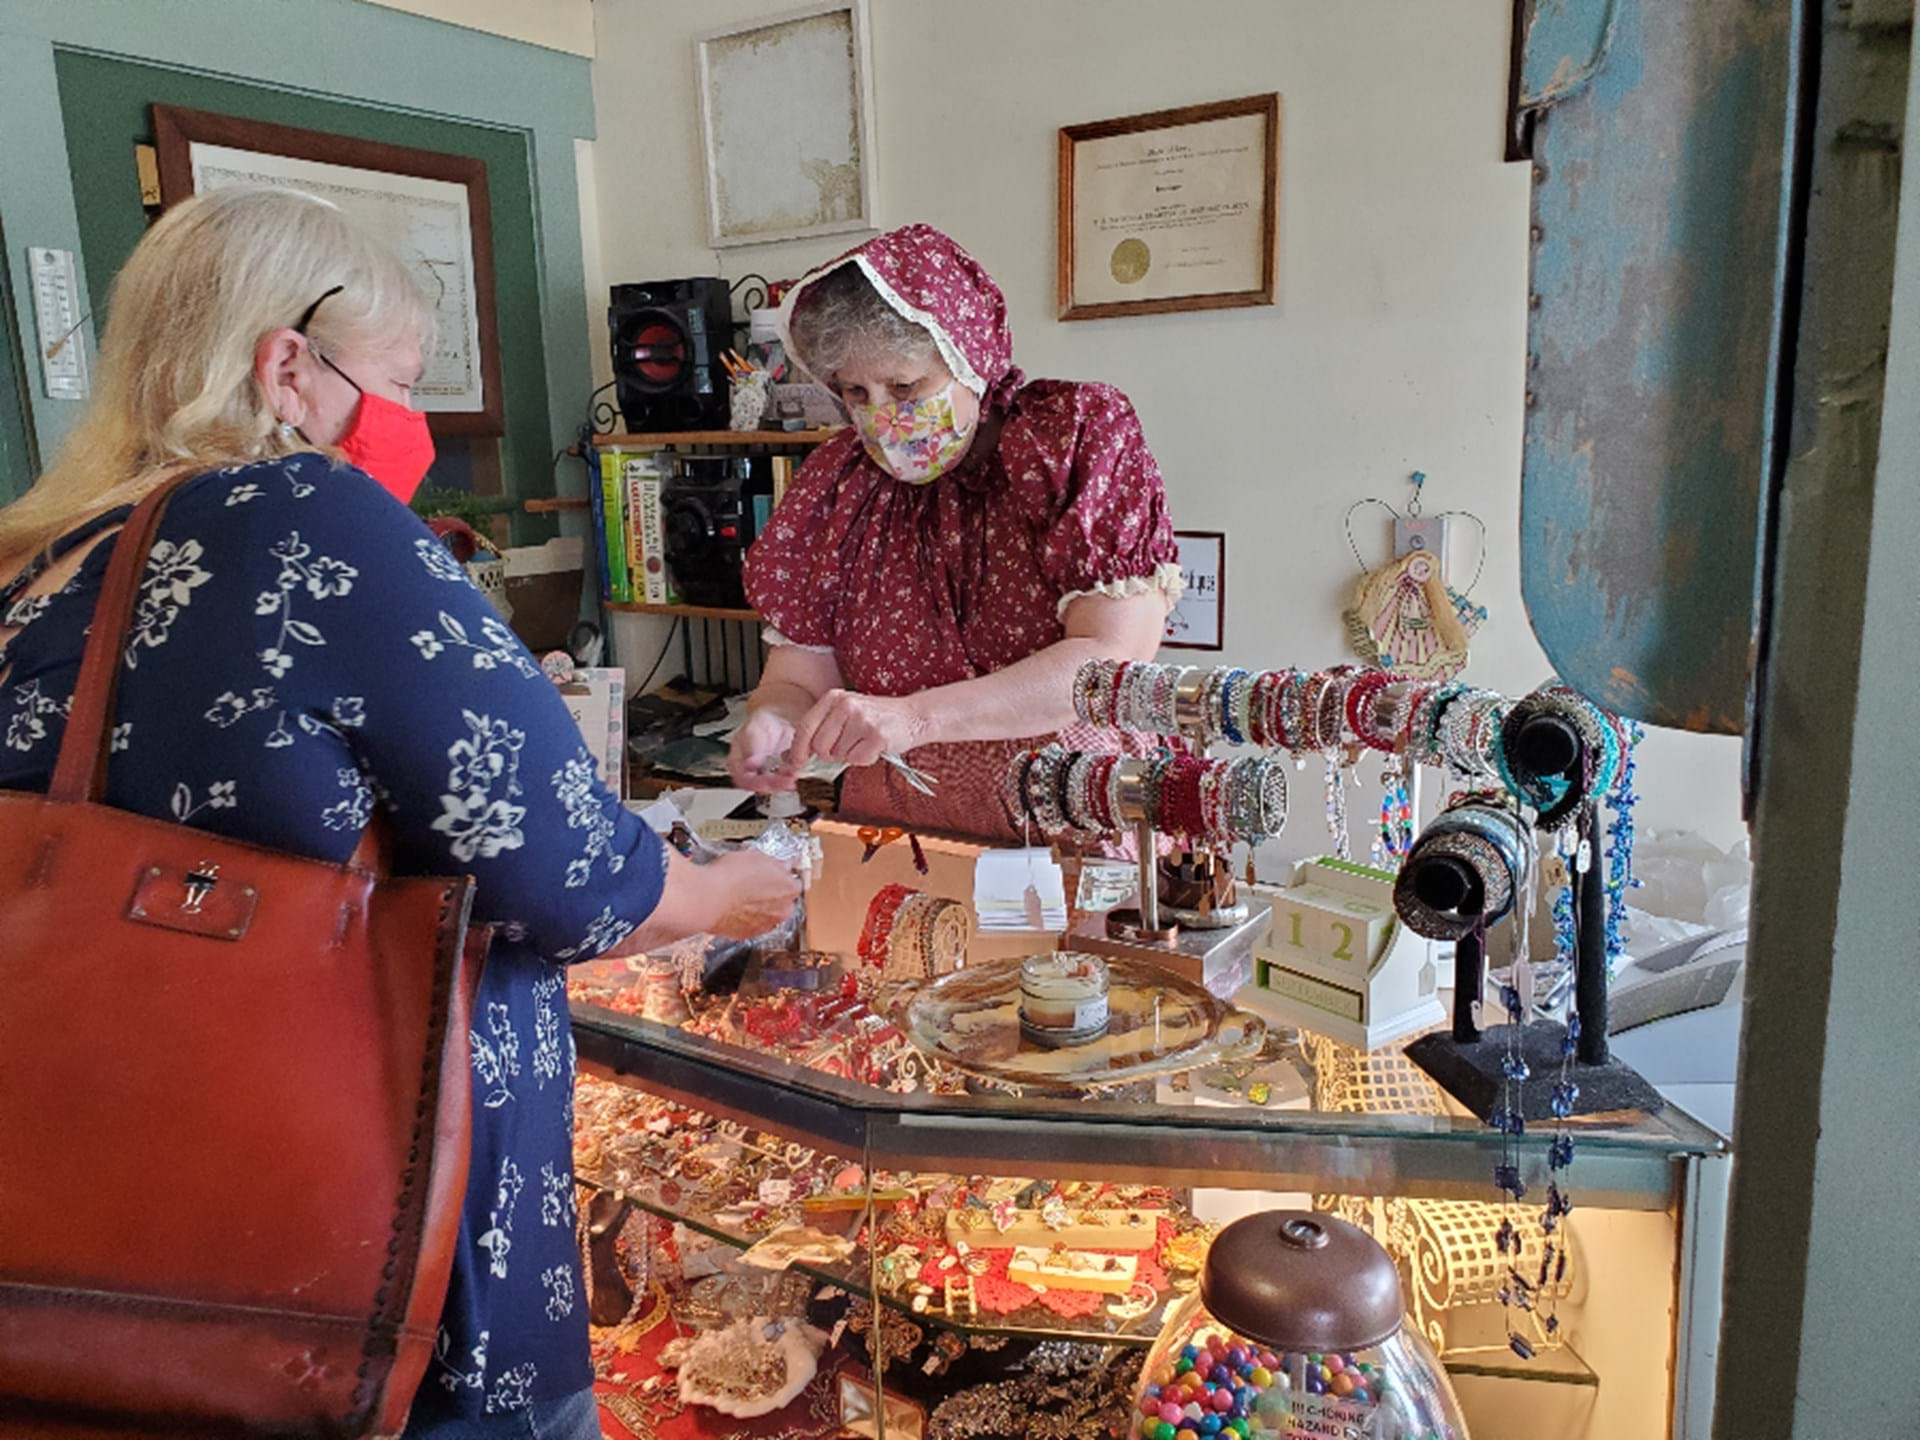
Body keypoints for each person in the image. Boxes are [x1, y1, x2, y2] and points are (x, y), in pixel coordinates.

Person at [0, 187, 800, 1439]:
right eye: (404, 378)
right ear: (286, 366)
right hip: (371, 1262)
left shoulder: (43, 562)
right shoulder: (300, 513)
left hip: (106, 1241)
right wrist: (718, 893)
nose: (411, 421)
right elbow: (568, 874)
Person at [728, 224, 1182, 840]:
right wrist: (773, 721)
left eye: (906, 386)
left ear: (969, 356)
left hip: (1068, 807)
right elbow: (796, 680)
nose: (881, 416)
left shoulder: (1071, 438)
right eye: (856, 392)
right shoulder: (837, 484)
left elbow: (1111, 659)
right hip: (898, 824)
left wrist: (915, 720)